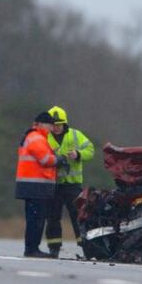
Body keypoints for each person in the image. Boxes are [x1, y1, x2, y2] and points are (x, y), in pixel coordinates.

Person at [15, 111, 68, 258]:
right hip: (35, 186)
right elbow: (45, 159)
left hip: (32, 186)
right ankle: (32, 249)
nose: (52, 128)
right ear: (42, 124)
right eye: (50, 124)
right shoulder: (37, 138)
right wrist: (59, 159)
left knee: (35, 218)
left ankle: (32, 248)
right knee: (36, 219)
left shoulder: (33, 137)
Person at [44, 106, 95, 258]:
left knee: (78, 216)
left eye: (58, 124)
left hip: (72, 185)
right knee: (52, 216)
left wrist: (78, 154)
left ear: (64, 123)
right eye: (53, 124)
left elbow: (90, 150)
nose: (56, 127)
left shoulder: (75, 135)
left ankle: (85, 246)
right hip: (53, 184)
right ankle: (54, 248)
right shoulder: (45, 137)